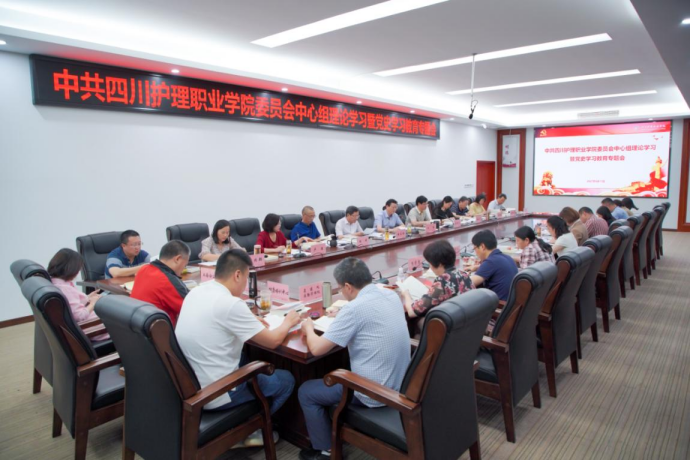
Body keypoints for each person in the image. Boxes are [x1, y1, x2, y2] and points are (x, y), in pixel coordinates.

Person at [176, 250, 300, 447]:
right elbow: (273, 341)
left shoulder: (197, 291)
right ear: (237, 275)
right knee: (286, 380)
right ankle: (249, 430)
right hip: (216, 393)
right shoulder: (230, 304)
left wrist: (248, 319)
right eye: (246, 277)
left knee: (246, 357)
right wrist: (288, 321)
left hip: (190, 384)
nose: (245, 286)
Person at [298, 258, 410, 460]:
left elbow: (316, 349)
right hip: (401, 384)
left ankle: (325, 451)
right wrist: (342, 313)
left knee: (306, 391)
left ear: (348, 287)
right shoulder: (390, 294)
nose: (341, 292)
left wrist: (308, 328)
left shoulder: (354, 310)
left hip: (373, 393)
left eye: (340, 288)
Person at [48, 248, 109, 341]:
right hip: (92, 327)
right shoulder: (65, 288)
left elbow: (70, 305)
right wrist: (93, 303)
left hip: (90, 323)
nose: (79, 271)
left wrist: (88, 298)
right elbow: (80, 316)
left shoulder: (56, 282)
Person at [402, 240, 474, 318]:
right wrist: (433, 290)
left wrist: (406, 295)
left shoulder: (441, 282)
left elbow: (412, 312)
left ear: (439, 264)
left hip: (452, 322)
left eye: (430, 264)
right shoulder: (464, 274)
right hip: (468, 320)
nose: (430, 267)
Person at [130, 240, 190, 328]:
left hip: (138, 327)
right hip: (160, 332)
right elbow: (191, 310)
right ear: (178, 259)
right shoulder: (168, 281)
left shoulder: (144, 269)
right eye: (185, 265)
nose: (184, 268)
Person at [468, 230, 518, 301]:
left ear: (482, 246)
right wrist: (479, 267)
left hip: (500, 305)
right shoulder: (507, 257)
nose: (475, 252)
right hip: (512, 303)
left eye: (475, 248)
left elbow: (469, 283)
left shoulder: (490, 262)